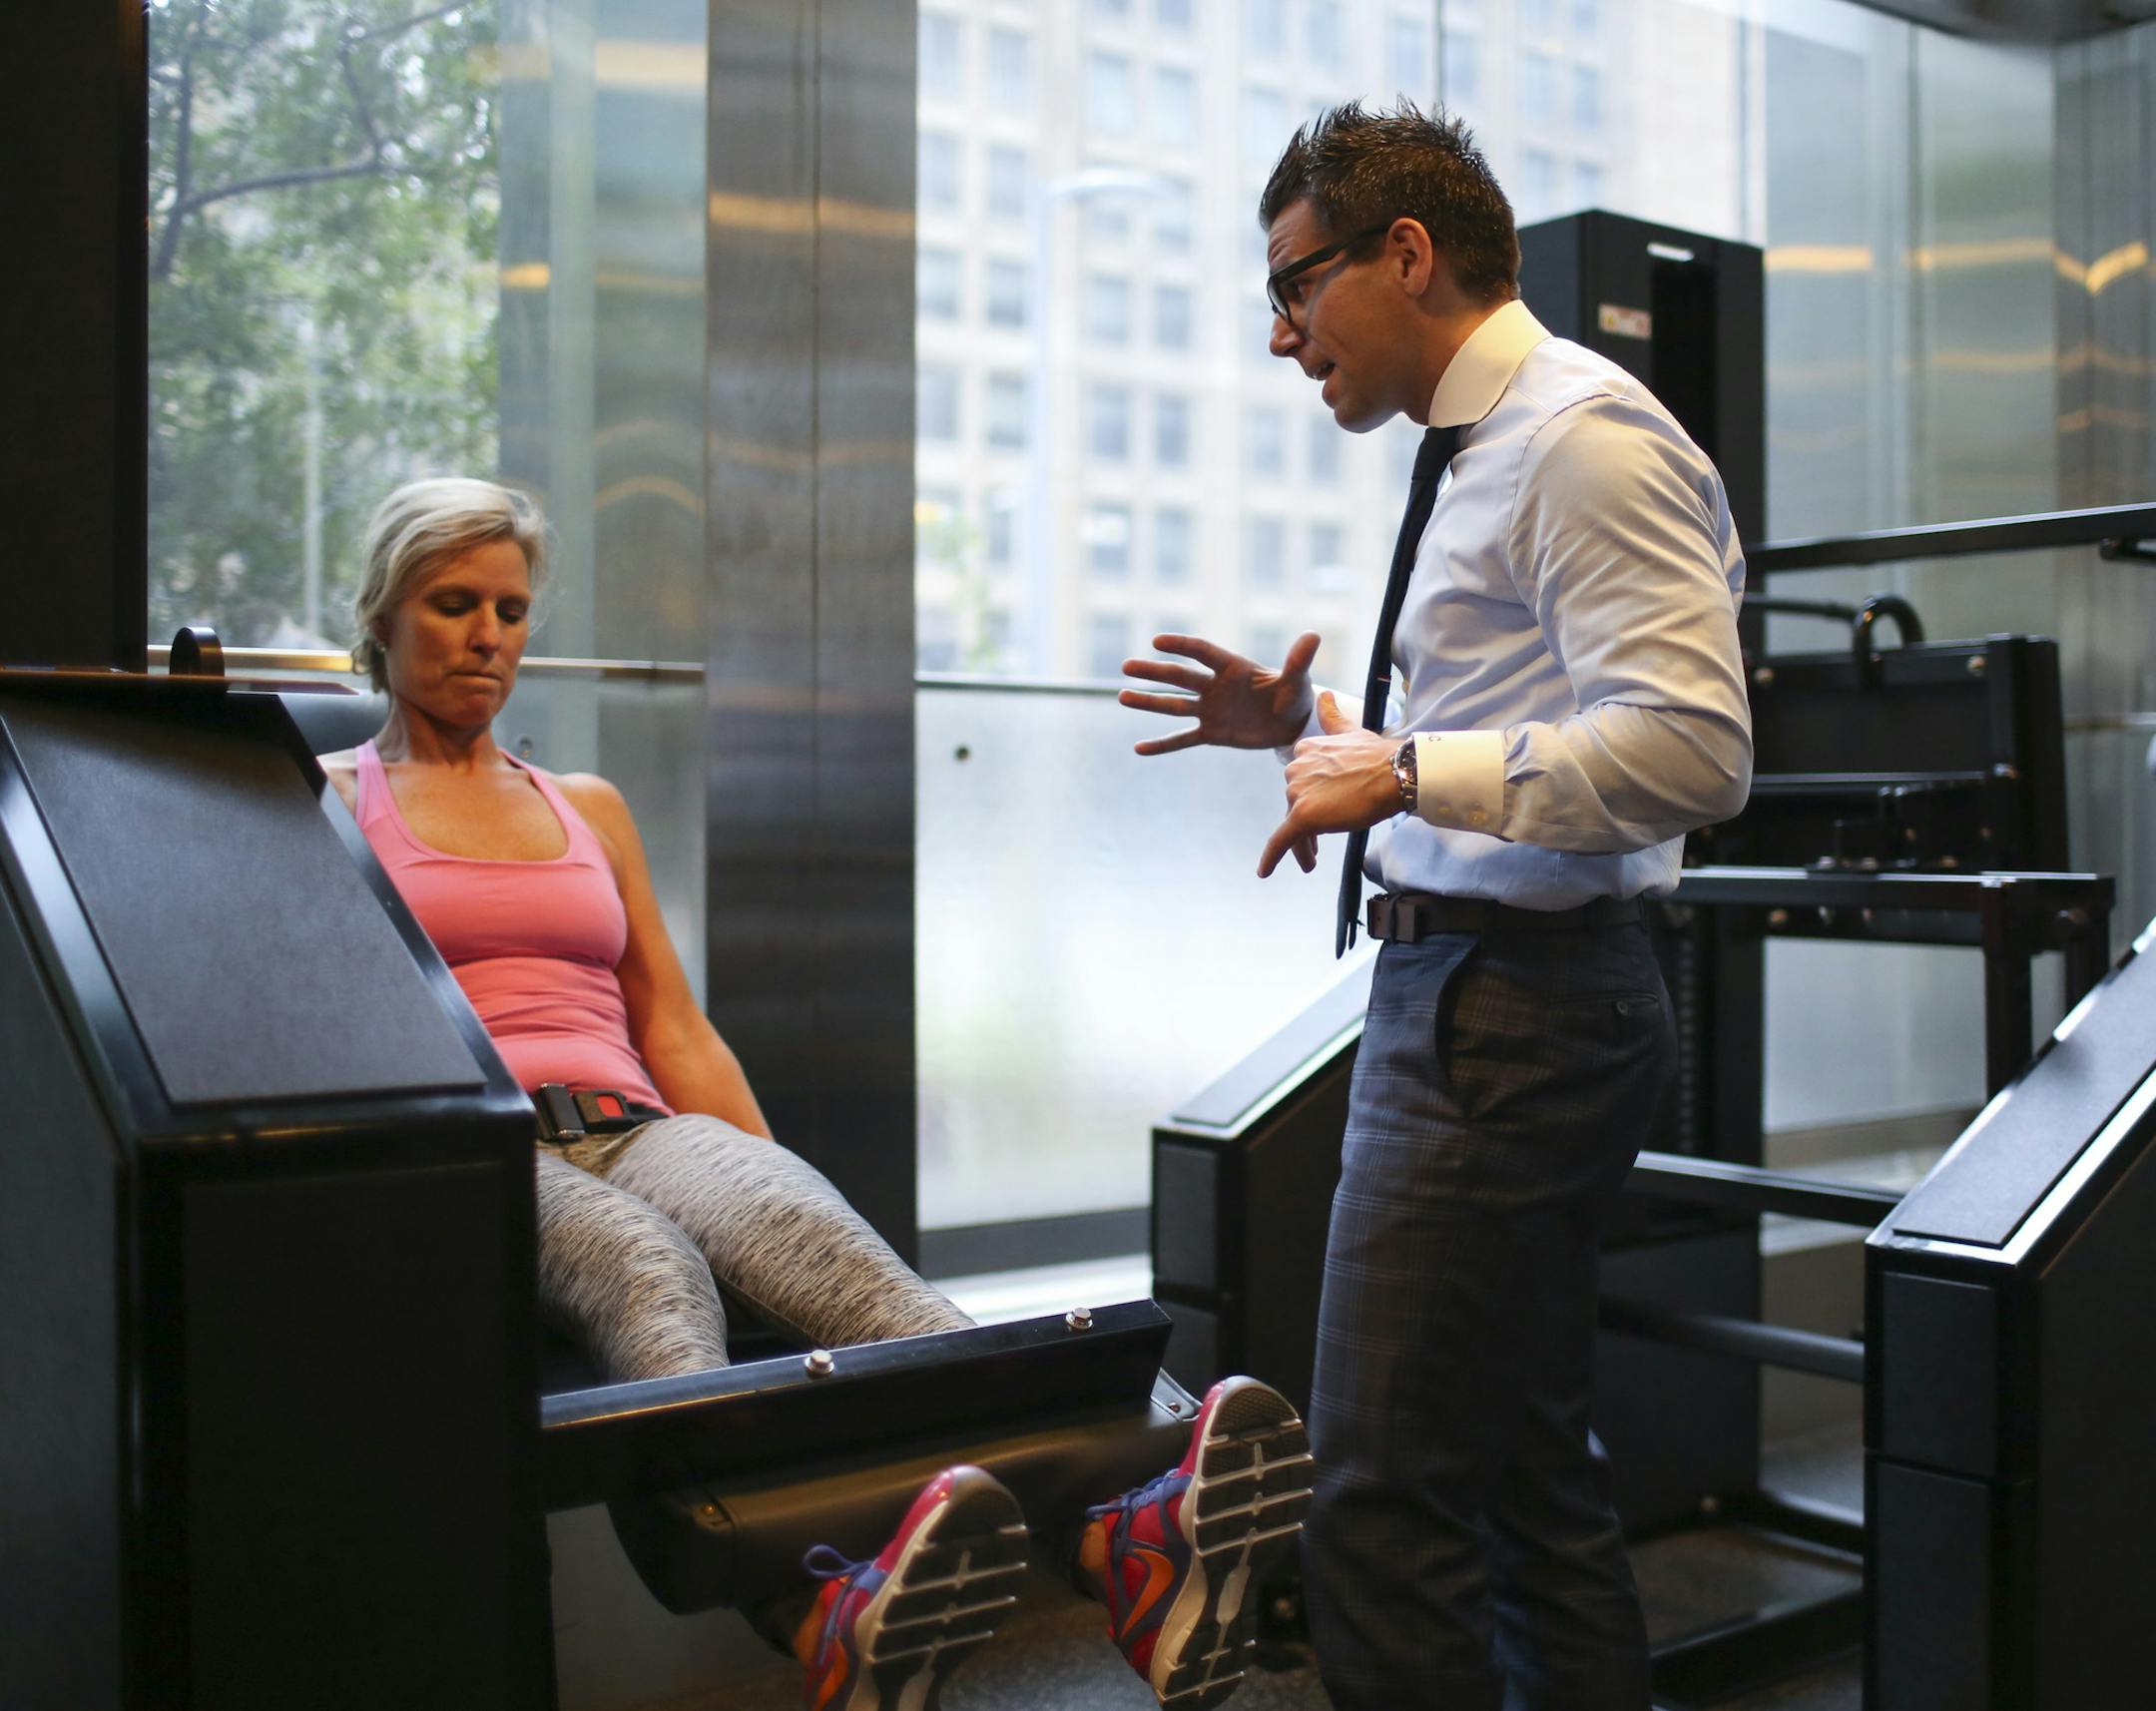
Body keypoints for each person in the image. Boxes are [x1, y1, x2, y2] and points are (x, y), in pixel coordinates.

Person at [323, 476, 1315, 1711]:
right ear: (384, 613)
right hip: (486, 1152)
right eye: (453, 603)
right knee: (649, 1275)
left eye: (511, 609)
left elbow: (672, 1023)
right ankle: (813, 1608)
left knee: (833, 1256)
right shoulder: (328, 802)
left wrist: (766, 1184)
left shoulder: (582, 806)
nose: (488, 636)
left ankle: (1117, 1539)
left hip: (637, 1122)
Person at [1120, 105, 1751, 1711]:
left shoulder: (1580, 441)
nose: (1280, 333)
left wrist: (1400, 769)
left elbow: (1694, 748)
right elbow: (1523, 732)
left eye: (1297, 283)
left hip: (1515, 1006)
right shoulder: (1487, 444)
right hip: (1490, 989)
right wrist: (1319, 740)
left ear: (1406, 254)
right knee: (1531, 1480)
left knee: (1385, 1501)